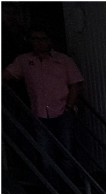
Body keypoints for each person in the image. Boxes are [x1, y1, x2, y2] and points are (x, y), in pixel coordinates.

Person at [3, 27, 83, 157]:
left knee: (67, 151)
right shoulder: (24, 61)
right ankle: (50, 177)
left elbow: (76, 83)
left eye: (42, 39)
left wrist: (69, 108)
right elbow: (7, 75)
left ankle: (71, 176)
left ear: (49, 41)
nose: (39, 42)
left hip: (62, 111)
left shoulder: (63, 60)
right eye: (35, 39)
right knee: (45, 152)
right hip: (39, 113)